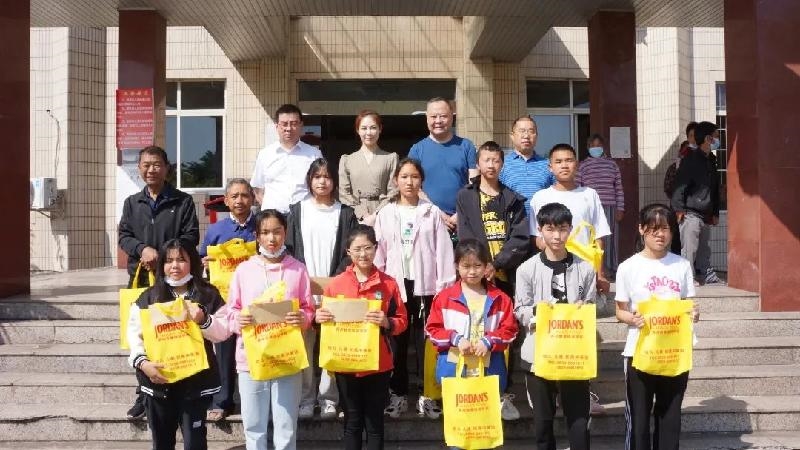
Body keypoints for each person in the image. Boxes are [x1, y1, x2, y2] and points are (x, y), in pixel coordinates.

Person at [118, 145, 200, 420]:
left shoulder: (182, 201)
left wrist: (164, 256)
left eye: (156, 165)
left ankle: (180, 383)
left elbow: (191, 236)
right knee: (142, 335)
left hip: (175, 279)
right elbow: (124, 236)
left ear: (166, 168)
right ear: (139, 168)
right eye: (146, 165)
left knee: (172, 333)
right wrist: (142, 249)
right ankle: (143, 393)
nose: (151, 169)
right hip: (142, 280)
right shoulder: (132, 203)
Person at [529, 143, 611, 415]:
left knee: (581, 333)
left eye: (569, 160)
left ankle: (584, 392)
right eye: (558, 161)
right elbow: (537, 238)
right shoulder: (540, 197)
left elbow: (599, 237)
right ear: (550, 166)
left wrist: (599, 272)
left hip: (582, 275)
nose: (564, 165)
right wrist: (557, 255)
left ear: (577, 164)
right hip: (550, 273)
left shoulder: (590, 195)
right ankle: (552, 391)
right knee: (552, 329)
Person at [126, 239, 230, 450]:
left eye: (181, 260)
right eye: (169, 260)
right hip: (158, 383)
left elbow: (224, 331)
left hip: (195, 385)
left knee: (194, 442)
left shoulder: (208, 294)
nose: (175, 266)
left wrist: (204, 320)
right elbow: (134, 336)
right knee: (162, 443)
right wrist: (143, 363)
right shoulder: (149, 297)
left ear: (192, 262)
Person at [373, 158, 456, 420]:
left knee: (426, 343)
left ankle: (428, 394)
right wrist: (379, 288)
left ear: (422, 181)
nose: (409, 182)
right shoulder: (386, 213)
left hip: (427, 286)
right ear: (396, 181)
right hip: (395, 285)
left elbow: (443, 251)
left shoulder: (431, 212)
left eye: (415, 177)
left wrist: (444, 286)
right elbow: (379, 253)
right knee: (396, 341)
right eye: (404, 177)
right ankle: (397, 394)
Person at [226, 209, 315, 450]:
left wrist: (303, 318)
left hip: (287, 358)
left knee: (286, 425)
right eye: (265, 232)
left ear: (285, 233)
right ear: (257, 236)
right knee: (254, 426)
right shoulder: (244, 270)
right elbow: (231, 310)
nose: (271, 238)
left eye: (277, 231)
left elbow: (308, 308)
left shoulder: (297, 269)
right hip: (251, 359)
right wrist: (239, 320)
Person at [455, 140, 531, 421]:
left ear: (502, 164)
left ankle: (503, 391)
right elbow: (465, 234)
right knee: (475, 331)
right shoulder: (465, 196)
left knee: (504, 333)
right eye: (486, 160)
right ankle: (476, 389)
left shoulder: (513, 199)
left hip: (505, 277)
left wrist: (496, 264)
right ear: (478, 163)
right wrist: (479, 266)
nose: (491, 165)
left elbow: (520, 239)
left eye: (496, 160)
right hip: (475, 276)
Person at [615, 203, 699, 450]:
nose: (660, 235)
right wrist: (632, 318)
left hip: (674, 352)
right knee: (639, 419)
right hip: (639, 351)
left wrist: (694, 313)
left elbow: (688, 304)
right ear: (642, 229)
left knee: (670, 415)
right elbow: (620, 310)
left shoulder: (681, 265)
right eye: (654, 229)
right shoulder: (628, 267)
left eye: (666, 229)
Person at [514, 203, 597, 450]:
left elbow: (595, 304)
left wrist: (586, 307)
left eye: (562, 229)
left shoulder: (585, 268)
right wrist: (537, 311)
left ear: (570, 229)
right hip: (539, 354)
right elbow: (520, 309)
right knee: (543, 422)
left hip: (574, 354)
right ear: (540, 230)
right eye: (550, 229)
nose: (557, 236)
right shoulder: (526, 269)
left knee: (579, 420)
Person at [318, 225, 408, 450]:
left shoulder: (388, 284)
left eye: (368, 248)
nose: (363, 254)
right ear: (348, 252)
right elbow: (323, 321)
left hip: (378, 363)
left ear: (376, 248)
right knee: (352, 422)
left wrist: (387, 322)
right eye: (357, 249)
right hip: (346, 362)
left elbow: (402, 321)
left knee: (375, 423)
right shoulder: (336, 284)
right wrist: (318, 317)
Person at [286, 158, 359, 420]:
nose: (322, 181)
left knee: (331, 344)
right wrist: (304, 282)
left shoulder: (346, 213)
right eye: (317, 177)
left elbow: (350, 253)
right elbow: (290, 250)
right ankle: (305, 399)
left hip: (334, 290)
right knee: (304, 347)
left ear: (334, 182)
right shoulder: (297, 211)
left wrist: (334, 283)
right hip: (304, 289)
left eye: (327, 177)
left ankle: (329, 399)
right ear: (309, 181)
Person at [425, 239, 518, 441]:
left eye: (478, 266)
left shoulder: (500, 298)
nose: (472, 272)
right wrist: (455, 338)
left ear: (486, 267)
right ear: (456, 266)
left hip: (489, 370)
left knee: (485, 429)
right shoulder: (444, 298)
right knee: (458, 429)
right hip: (455, 371)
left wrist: (490, 341)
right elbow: (432, 330)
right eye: (466, 266)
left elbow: (510, 330)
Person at [198, 178, 257, 422]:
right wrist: (205, 263)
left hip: (255, 301)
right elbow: (201, 258)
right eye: (234, 196)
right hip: (224, 300)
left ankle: (253, 400)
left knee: (254, 348)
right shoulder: (216, 230)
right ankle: (222, 400)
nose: (239, 200)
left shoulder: (261, 226)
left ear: (253, 199)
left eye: (244, 195)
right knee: (223, 350)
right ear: (226, 200)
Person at [408, 97, 478, 234]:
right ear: (427, 118)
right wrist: (437, 213)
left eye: (443, 116)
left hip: (463, 220)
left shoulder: (466, 146)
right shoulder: (417, 150)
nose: (438, 121)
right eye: (433, 116)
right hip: (427, 219)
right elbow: (415, 188)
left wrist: (460, 213)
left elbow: (474, 184)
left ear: (452, 117)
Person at [670, 121, 724, 285]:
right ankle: (688, 277)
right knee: (689, 249)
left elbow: (714, 188)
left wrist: (715, 212)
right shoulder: (690, 159)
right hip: (690, 212)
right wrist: (679, 209)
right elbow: (679, 185)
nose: (718, 140)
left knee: (703, 249)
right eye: (715, 136)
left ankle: (706, 274)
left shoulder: (711, 160)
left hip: (706, 213)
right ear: (707, 138)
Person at [250, 104, 323, 213]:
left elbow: (320, 186)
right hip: (273, 217)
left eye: (294, 124)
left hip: (304, 215)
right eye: (284, 124)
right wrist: (269, 210)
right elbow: (257, 187)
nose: (288, 128)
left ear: (301, 125)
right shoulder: (265, 154)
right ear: (277, 126)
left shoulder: (314, 154)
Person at [338, 110, 399, 226]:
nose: (368, 132)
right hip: (355, 216)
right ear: (358, 130)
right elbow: (344, 193)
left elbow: (393, 192)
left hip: (383, 214)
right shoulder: (347, 160)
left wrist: (376, 215)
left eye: (373, 128)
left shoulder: (391, 158)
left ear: (380, 129)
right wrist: (362, 214)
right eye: (364, 128)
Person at [576, 133, 625, 277]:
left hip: (609, 207)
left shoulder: (612, 165)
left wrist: (620, 208)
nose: (595, 148)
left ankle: (611, 269)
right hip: (589, 209)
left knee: (609, 239)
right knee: (591, 239)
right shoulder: (583, 166)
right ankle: (593, 269)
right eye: (593, 145)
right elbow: (577, 188)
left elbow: (619, 188)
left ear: (603, 147)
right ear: (588, 147)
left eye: (598, 145)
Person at [499, 116, 555, 215]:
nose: (526, 136)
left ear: (536, 136)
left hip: (542, 222)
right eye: (522, 131)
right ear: (512, 136)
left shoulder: (548, 165)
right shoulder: (502, 164)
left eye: (531, 131)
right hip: (512, 222)